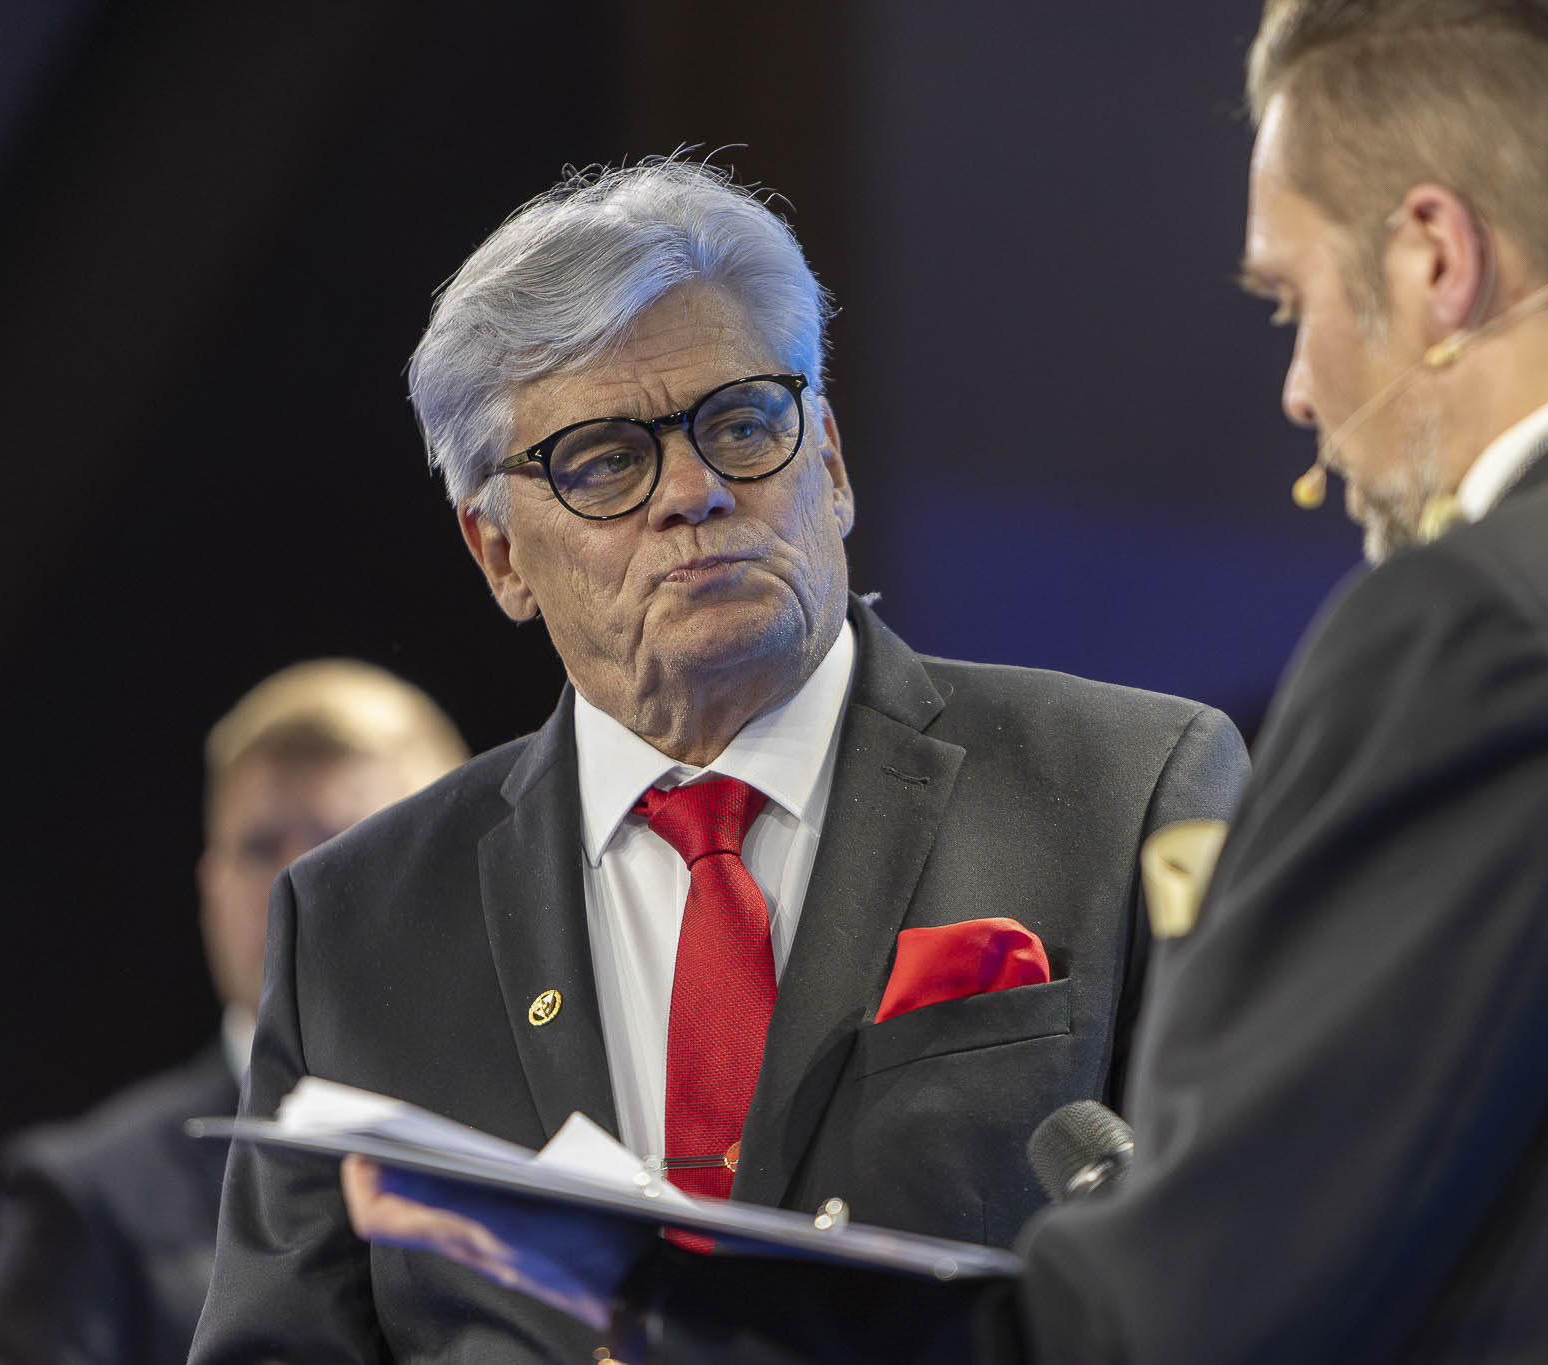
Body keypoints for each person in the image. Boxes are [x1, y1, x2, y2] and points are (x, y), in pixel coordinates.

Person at [353, 2, 1548, 1360]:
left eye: (1289, 299)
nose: (1299, 389)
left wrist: (651, 1291)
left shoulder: (1488, 621)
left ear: (1431, 261)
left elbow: (1194, 1313)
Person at [186, 159, 1247, 1363]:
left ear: (828, 462)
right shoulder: (358, 924)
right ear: (499, 555)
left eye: (741, 425)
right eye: (602, 461)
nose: (693, 492)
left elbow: (1269, 1274)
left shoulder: (1128, 789)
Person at [0, 661, 467, 1365]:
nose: (293, 884)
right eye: (259, 848)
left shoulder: (557, 1141)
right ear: (210, 887)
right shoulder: (87, 1200)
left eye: (343, 842)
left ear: (453, 879)